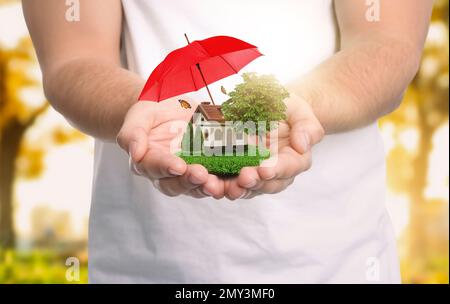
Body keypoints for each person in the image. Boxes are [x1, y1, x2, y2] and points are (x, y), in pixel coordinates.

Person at [22, 0, 432, 283]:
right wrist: (147, 110)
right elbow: (72, 60)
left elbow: (387, 42)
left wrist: (298, 108)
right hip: (141, 264)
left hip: (341, 263)